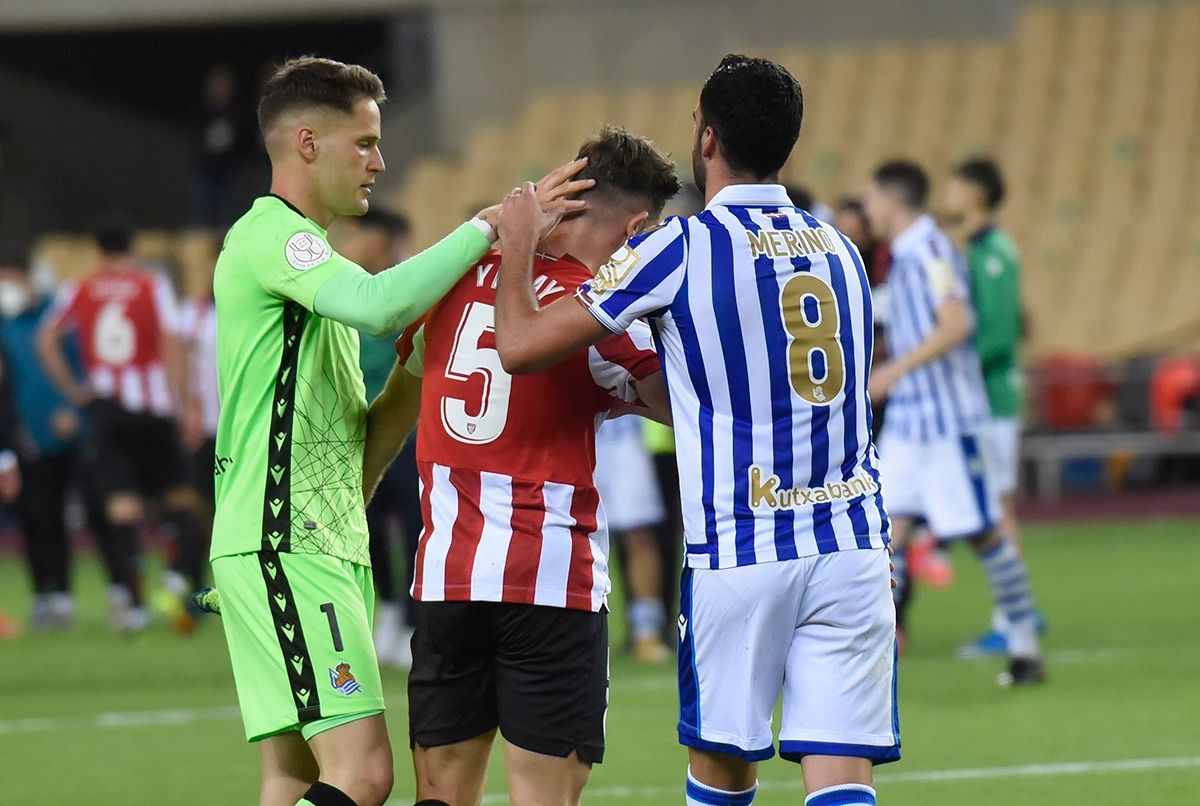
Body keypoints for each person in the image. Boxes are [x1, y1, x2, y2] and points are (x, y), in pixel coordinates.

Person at [494, 54, 896, 806]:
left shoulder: (677, 246)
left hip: (742, 545)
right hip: (851, 541)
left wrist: (519, 238)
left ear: (706, 139)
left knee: (721, 774)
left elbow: (520, 347)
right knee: (842, 781)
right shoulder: (840, 249)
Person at [207, 55, 587, 806]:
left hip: (319, 536)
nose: (379, 163)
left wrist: (416, 371)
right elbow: (381, 305)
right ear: (307, 143)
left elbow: (359, 450)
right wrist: (487, 229)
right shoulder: (271, 238)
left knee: (297, 778)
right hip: (285, 541)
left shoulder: (311, 260)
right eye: (365, 143)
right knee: (365, 774)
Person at [363, 124, 677, 806]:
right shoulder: (595, 314)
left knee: (441, 797)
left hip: (449, 577)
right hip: (549, 581)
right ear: (635, 227)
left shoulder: (448, 281)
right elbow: (678, 407)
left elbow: (414, 374)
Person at [864, 160, 1044, 686]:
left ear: (894, 202)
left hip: (948, 423)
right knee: (884, 535)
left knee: (985, 531)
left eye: (874, 199)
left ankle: (1025, 647)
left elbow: (957, 322)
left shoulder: (933, 249)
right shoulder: (904, 254)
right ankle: (878, 661)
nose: (869, 209)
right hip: (909, 423)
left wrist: (893, 370)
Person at [37, 216, 206, 634]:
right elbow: (171, 342)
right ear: (133, 249)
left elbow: (45, 340)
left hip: (107, 409)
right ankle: (175, 577)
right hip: (153, 410)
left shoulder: (81, 287)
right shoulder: (152, 285)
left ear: (98, 251)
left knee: (121, 508)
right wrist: (186, 404)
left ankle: (132, 605)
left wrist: (76, 392)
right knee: (183, 500)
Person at [333, 207, 423, 669]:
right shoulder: (342, 290)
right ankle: (385, 608)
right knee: (361, 528)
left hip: (405, 431)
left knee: (413, 526)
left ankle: (409, 620)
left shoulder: (404, 293)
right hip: (353, 431)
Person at [0, 247, 84, 629]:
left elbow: (80, 362)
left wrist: (74, 407)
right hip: (22, 436)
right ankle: (41, 595)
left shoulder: (56, 313)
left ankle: (62, 594)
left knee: (58, 513)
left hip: (63, 429)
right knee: (32, 516)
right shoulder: (4, 323)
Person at [593, 414, 672, 662]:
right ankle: (564, 628)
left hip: (624, 429)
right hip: (574, 428)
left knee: (639, 532)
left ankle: (646, 630)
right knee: (566, 529)